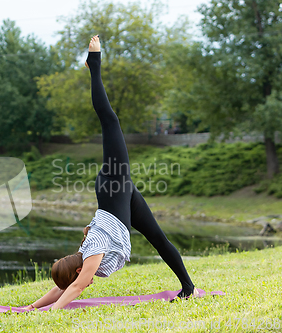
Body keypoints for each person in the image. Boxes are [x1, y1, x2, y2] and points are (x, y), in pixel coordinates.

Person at [23, 35, 199, 311]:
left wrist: (50, 314)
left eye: (71, 282)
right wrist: (31, 308)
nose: (74, 285)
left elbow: (77, 286)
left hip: (113, 186)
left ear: (77, 273)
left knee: (110, 120)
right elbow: (65, 287)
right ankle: (188, 288)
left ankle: (94, 64)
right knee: (158, 239)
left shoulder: (89, 259)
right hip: (120, 201)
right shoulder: (82, 262)